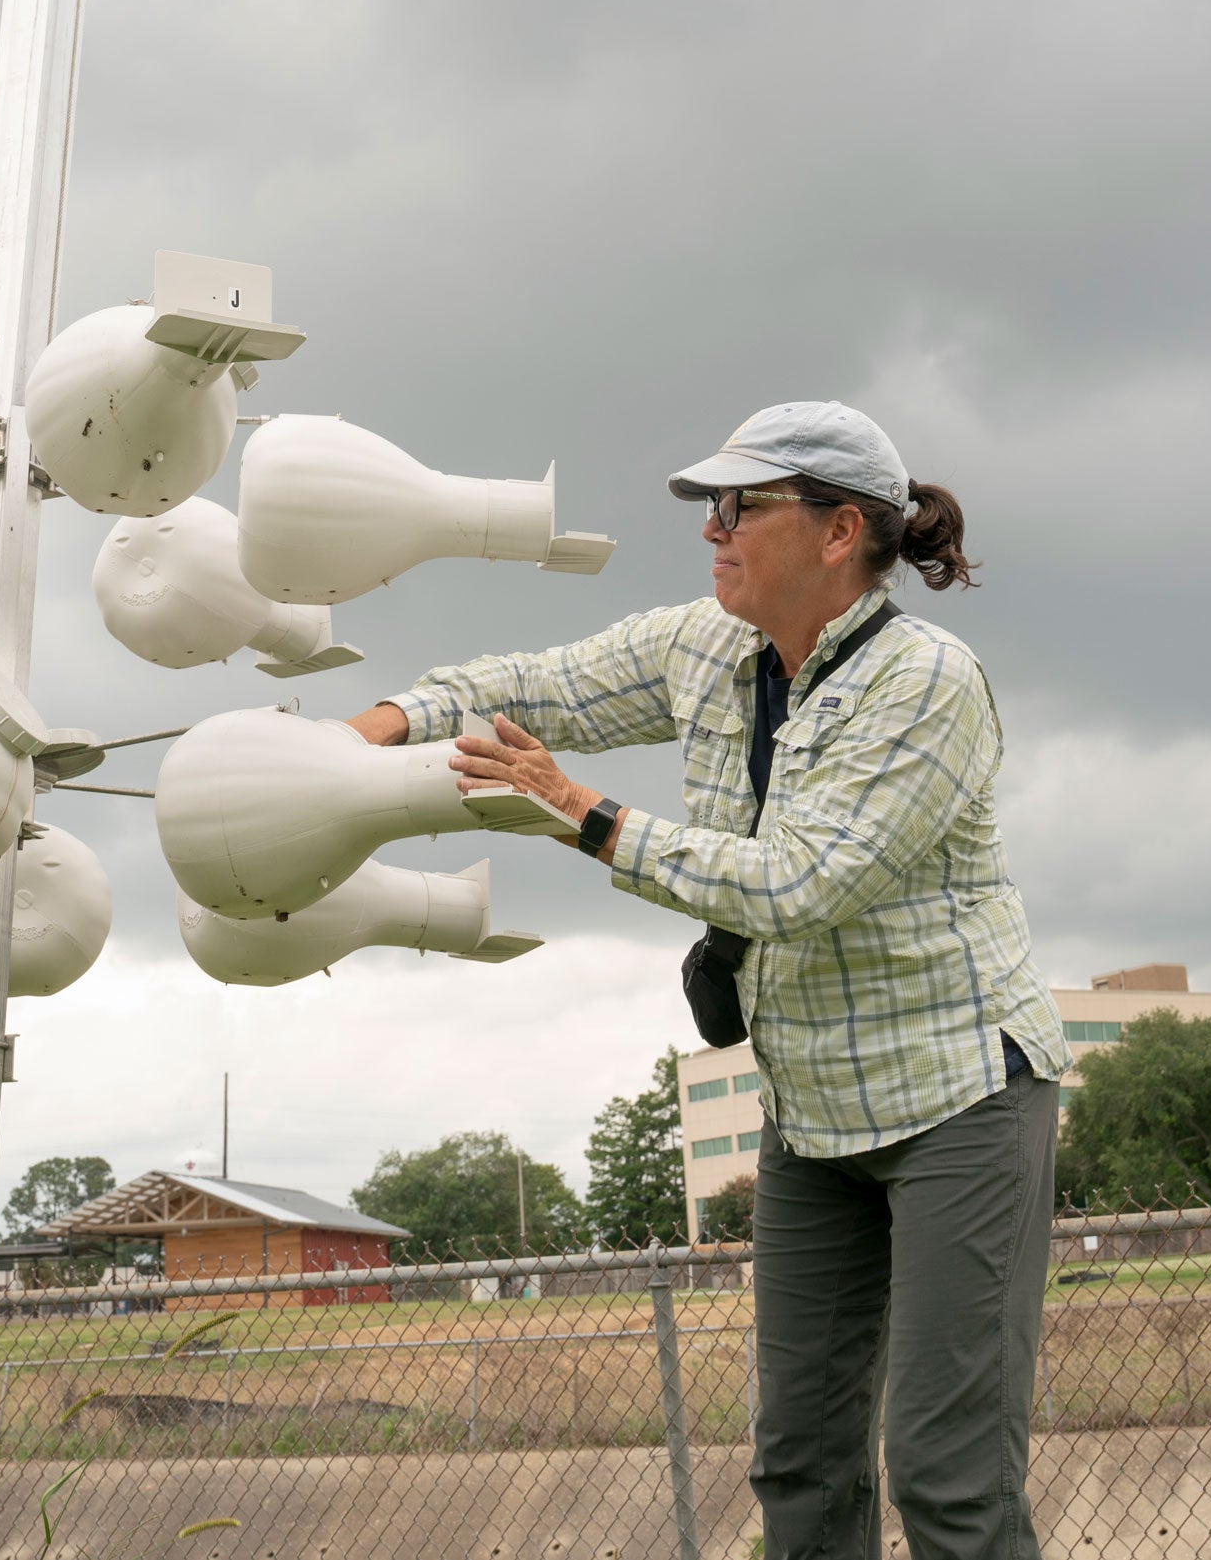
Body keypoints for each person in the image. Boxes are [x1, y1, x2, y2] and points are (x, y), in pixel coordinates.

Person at [346, 400, 1068, 1560]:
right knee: (800, 1463)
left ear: (840, 534)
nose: (712, 529)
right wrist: (377, 726)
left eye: (740, 505)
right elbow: (540, 684)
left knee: (949, 1473)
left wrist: (585, 815)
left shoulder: (927, 684)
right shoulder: (709, 647)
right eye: (709, 508)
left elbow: (798, 885)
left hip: (960, 1104)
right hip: (813, 1112)